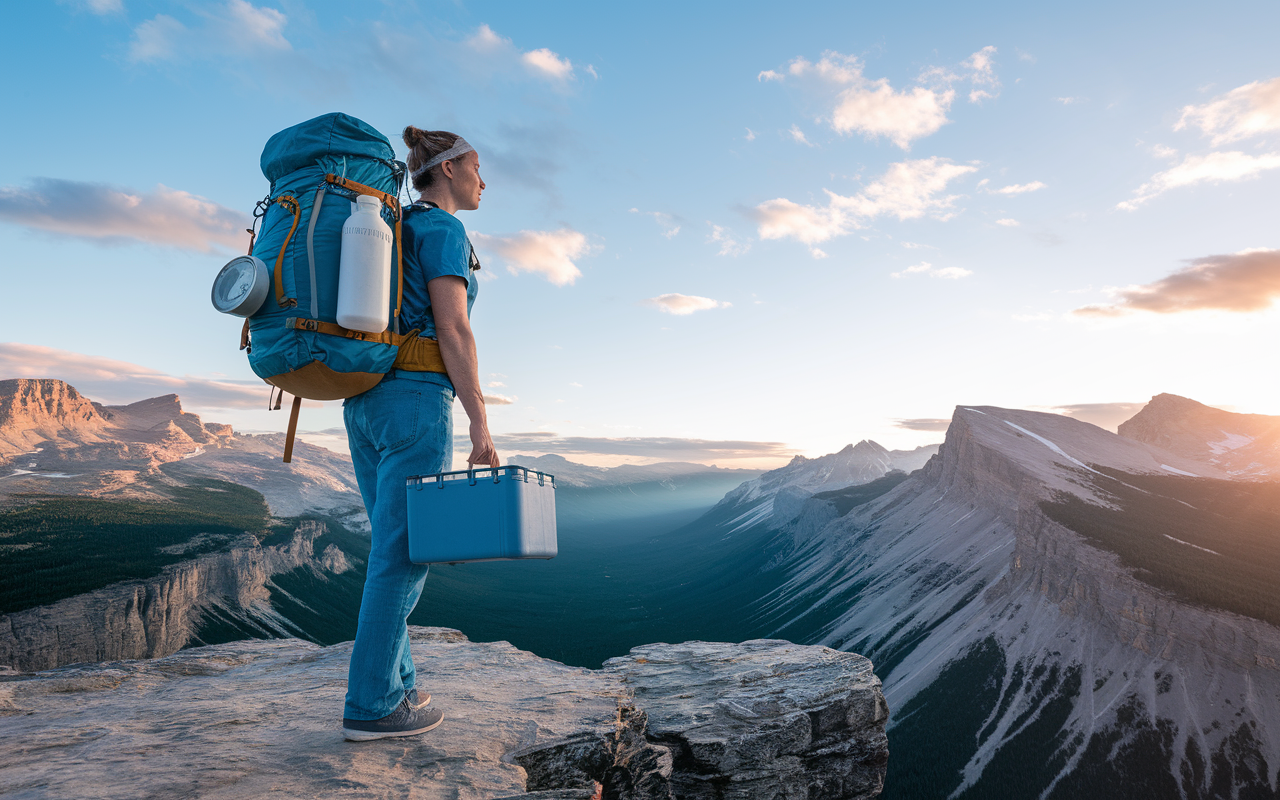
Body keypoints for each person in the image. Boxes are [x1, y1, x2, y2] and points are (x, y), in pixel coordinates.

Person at [340, 127, 500, 741]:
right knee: (404, 556)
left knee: (390, 547)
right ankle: (373, 705)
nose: (484, 182)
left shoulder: (391, 226)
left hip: (365, 401)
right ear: (451, 169)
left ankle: (398, 685)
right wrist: (479, 419)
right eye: (478, 168)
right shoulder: (442, 230)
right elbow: (453, 329)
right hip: (415, 401)